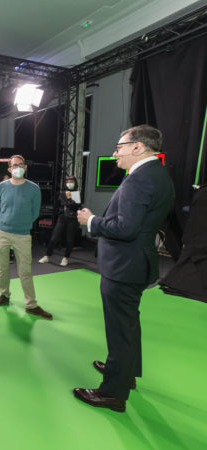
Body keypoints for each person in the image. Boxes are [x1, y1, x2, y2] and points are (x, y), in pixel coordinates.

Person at [74, 125, 174, 413]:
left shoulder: (138, 180)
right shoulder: (158, 174)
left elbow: (125, 228)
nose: (115, 153)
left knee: (120, 329)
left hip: (124, 265)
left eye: (119, 147)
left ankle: (112, 393)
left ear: (137, 147)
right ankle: (125, 372)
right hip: (136, 262)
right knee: (128, 324)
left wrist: (91, 221)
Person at [0, 155, 53, 319]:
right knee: (3, 267)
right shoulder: (1, 187)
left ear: (25, 167)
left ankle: (31, 305)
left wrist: (21, 224)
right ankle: (4, 294)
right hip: (1, 232)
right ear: (9, 169)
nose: (17, 167)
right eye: (14, 165)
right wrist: (7, 222)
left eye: (20, 165)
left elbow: (35, 213)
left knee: (25, 271)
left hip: (23, 234)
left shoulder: (34, 188)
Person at [38, 175, 82, 266]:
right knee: (54, 238)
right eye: (67, 182)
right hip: (62, 218)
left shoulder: (77, 194)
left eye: (71, 182)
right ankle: (47, 256)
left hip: (72, 219)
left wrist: (69, 198)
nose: (69, 183)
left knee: (70, 240)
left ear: (75, 183)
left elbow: (75, 207)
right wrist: (69, 201)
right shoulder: (62, 193)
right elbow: (60, 204)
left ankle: (66, 258)